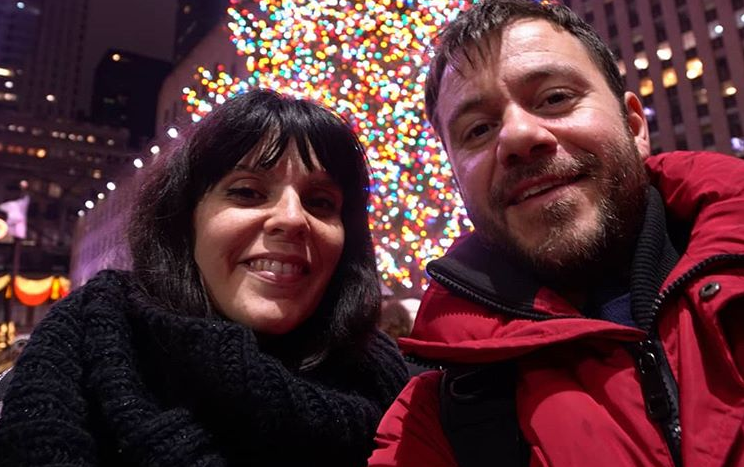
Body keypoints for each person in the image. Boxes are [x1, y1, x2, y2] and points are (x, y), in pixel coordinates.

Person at [368, 1, 744, 466]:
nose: (518, 136)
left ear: (634, 125)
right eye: (478, 129)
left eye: (554, 98)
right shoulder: (432, 423)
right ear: (457, 178)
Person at [0, 89, 408, 466]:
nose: (292, 218)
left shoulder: (403, 399)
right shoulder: (74, 359)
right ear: (184, 220)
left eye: (320, 202)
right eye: (247, 192)